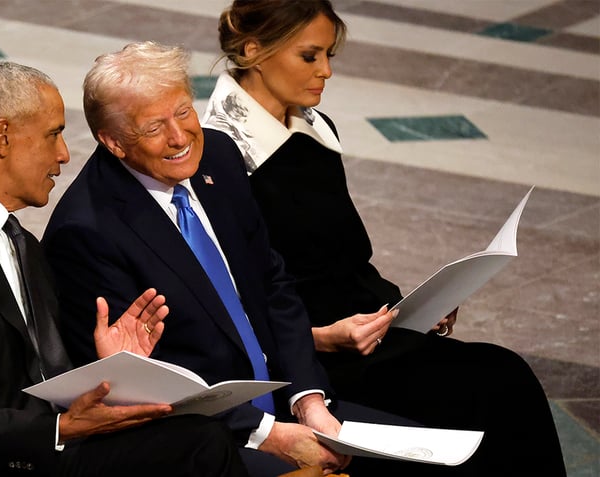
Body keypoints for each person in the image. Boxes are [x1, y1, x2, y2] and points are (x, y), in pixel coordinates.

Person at [41, 41, 457, 477]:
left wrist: (309, 400)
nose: (180, 137)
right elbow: (140, 381)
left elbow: (273, 284)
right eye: (153, 128)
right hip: (209, 435)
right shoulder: (86, 232)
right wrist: (267, 433)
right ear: (113, 141)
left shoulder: (218, 154)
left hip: (286, 400)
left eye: (184, 112)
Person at [201, 1, 566, 475]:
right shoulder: (218, 155)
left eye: (330, 55)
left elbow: (340, 258)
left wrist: (414, 305)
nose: (326, 72)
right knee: (491, 389)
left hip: (371, 335)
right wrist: (323, 339)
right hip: (311, 361)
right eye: (310, 56)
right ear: (254, 50)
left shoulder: (316, 129)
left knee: (503, 377)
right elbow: (230, 299)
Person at [0, 61, 249, 477]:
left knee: (199, 435)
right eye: (54, 134)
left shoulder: (20, 242)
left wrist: (114, 369)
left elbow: (34, 371)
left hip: (47, 451)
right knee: (200, 448)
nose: (64, 155)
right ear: (3, 137)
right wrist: (57, 428)